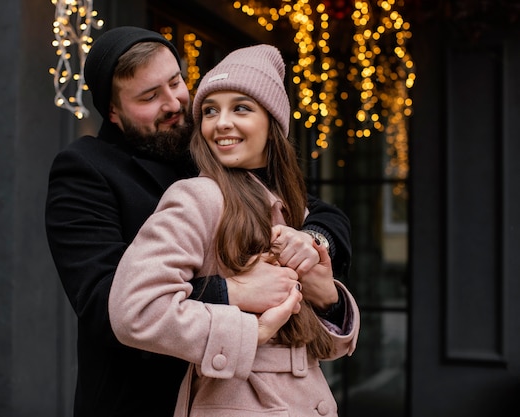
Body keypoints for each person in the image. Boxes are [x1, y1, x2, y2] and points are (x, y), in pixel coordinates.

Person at [45, 26, 352, 417]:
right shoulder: (85, 170)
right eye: (149, 96)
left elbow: (319, 213)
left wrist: (310, 242)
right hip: (142, 398)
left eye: (176, 82)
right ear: (113, 111)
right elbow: (107, 301)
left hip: (239, 395)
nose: (173, 102)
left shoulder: (207, 149)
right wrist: (232, 291)